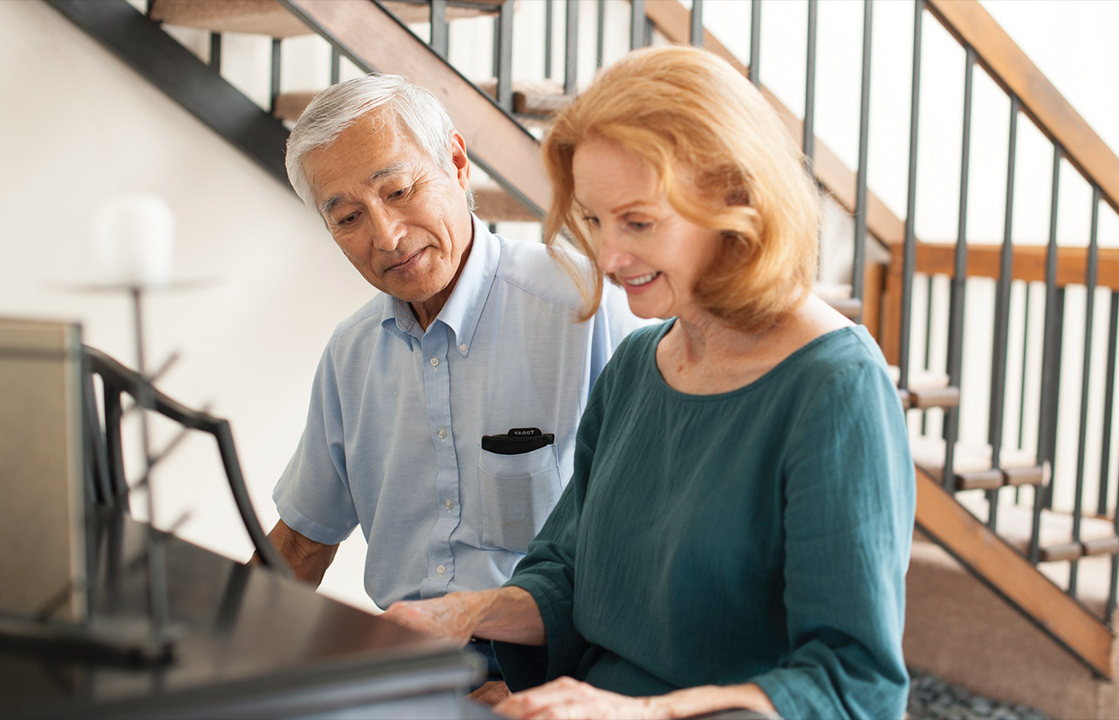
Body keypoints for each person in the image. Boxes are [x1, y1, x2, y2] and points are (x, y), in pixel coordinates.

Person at [381, 46, 916, 720]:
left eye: (639, 221)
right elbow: (569, 576)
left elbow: (851, 685)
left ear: (737, 203)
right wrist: (457, 614)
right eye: (596, 221)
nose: (608, 257)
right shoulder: (639, 364)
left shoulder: (833, 390)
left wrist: (644, 713)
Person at [264, 73, 644, 678]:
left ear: (458, 165)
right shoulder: (352, 353)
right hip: (405, 663)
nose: (385, 237)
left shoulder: (586, 306)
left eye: (397, 191)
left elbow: (648, 545)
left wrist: (534, 693)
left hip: (555, 662)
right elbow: (304, 541)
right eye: (348, 218)